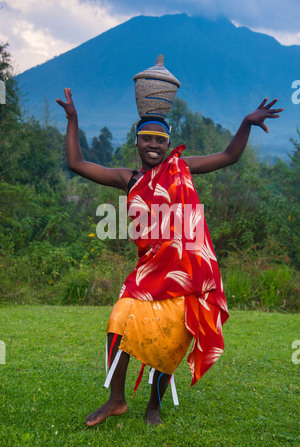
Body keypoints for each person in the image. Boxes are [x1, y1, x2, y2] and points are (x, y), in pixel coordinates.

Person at [56, 88, 283, 426]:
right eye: (146, 138)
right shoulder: (128, 179)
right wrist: (73, 119)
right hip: (147, 276)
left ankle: (154, 406)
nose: (153, 144)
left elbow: (229, 156)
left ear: (167, 145)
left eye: (159, 140)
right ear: (136, 143)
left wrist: (246, 123)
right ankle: (116, 400)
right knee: (118, 321)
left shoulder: (182, 168)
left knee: (174, 336)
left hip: (186, 276)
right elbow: (76, 163)